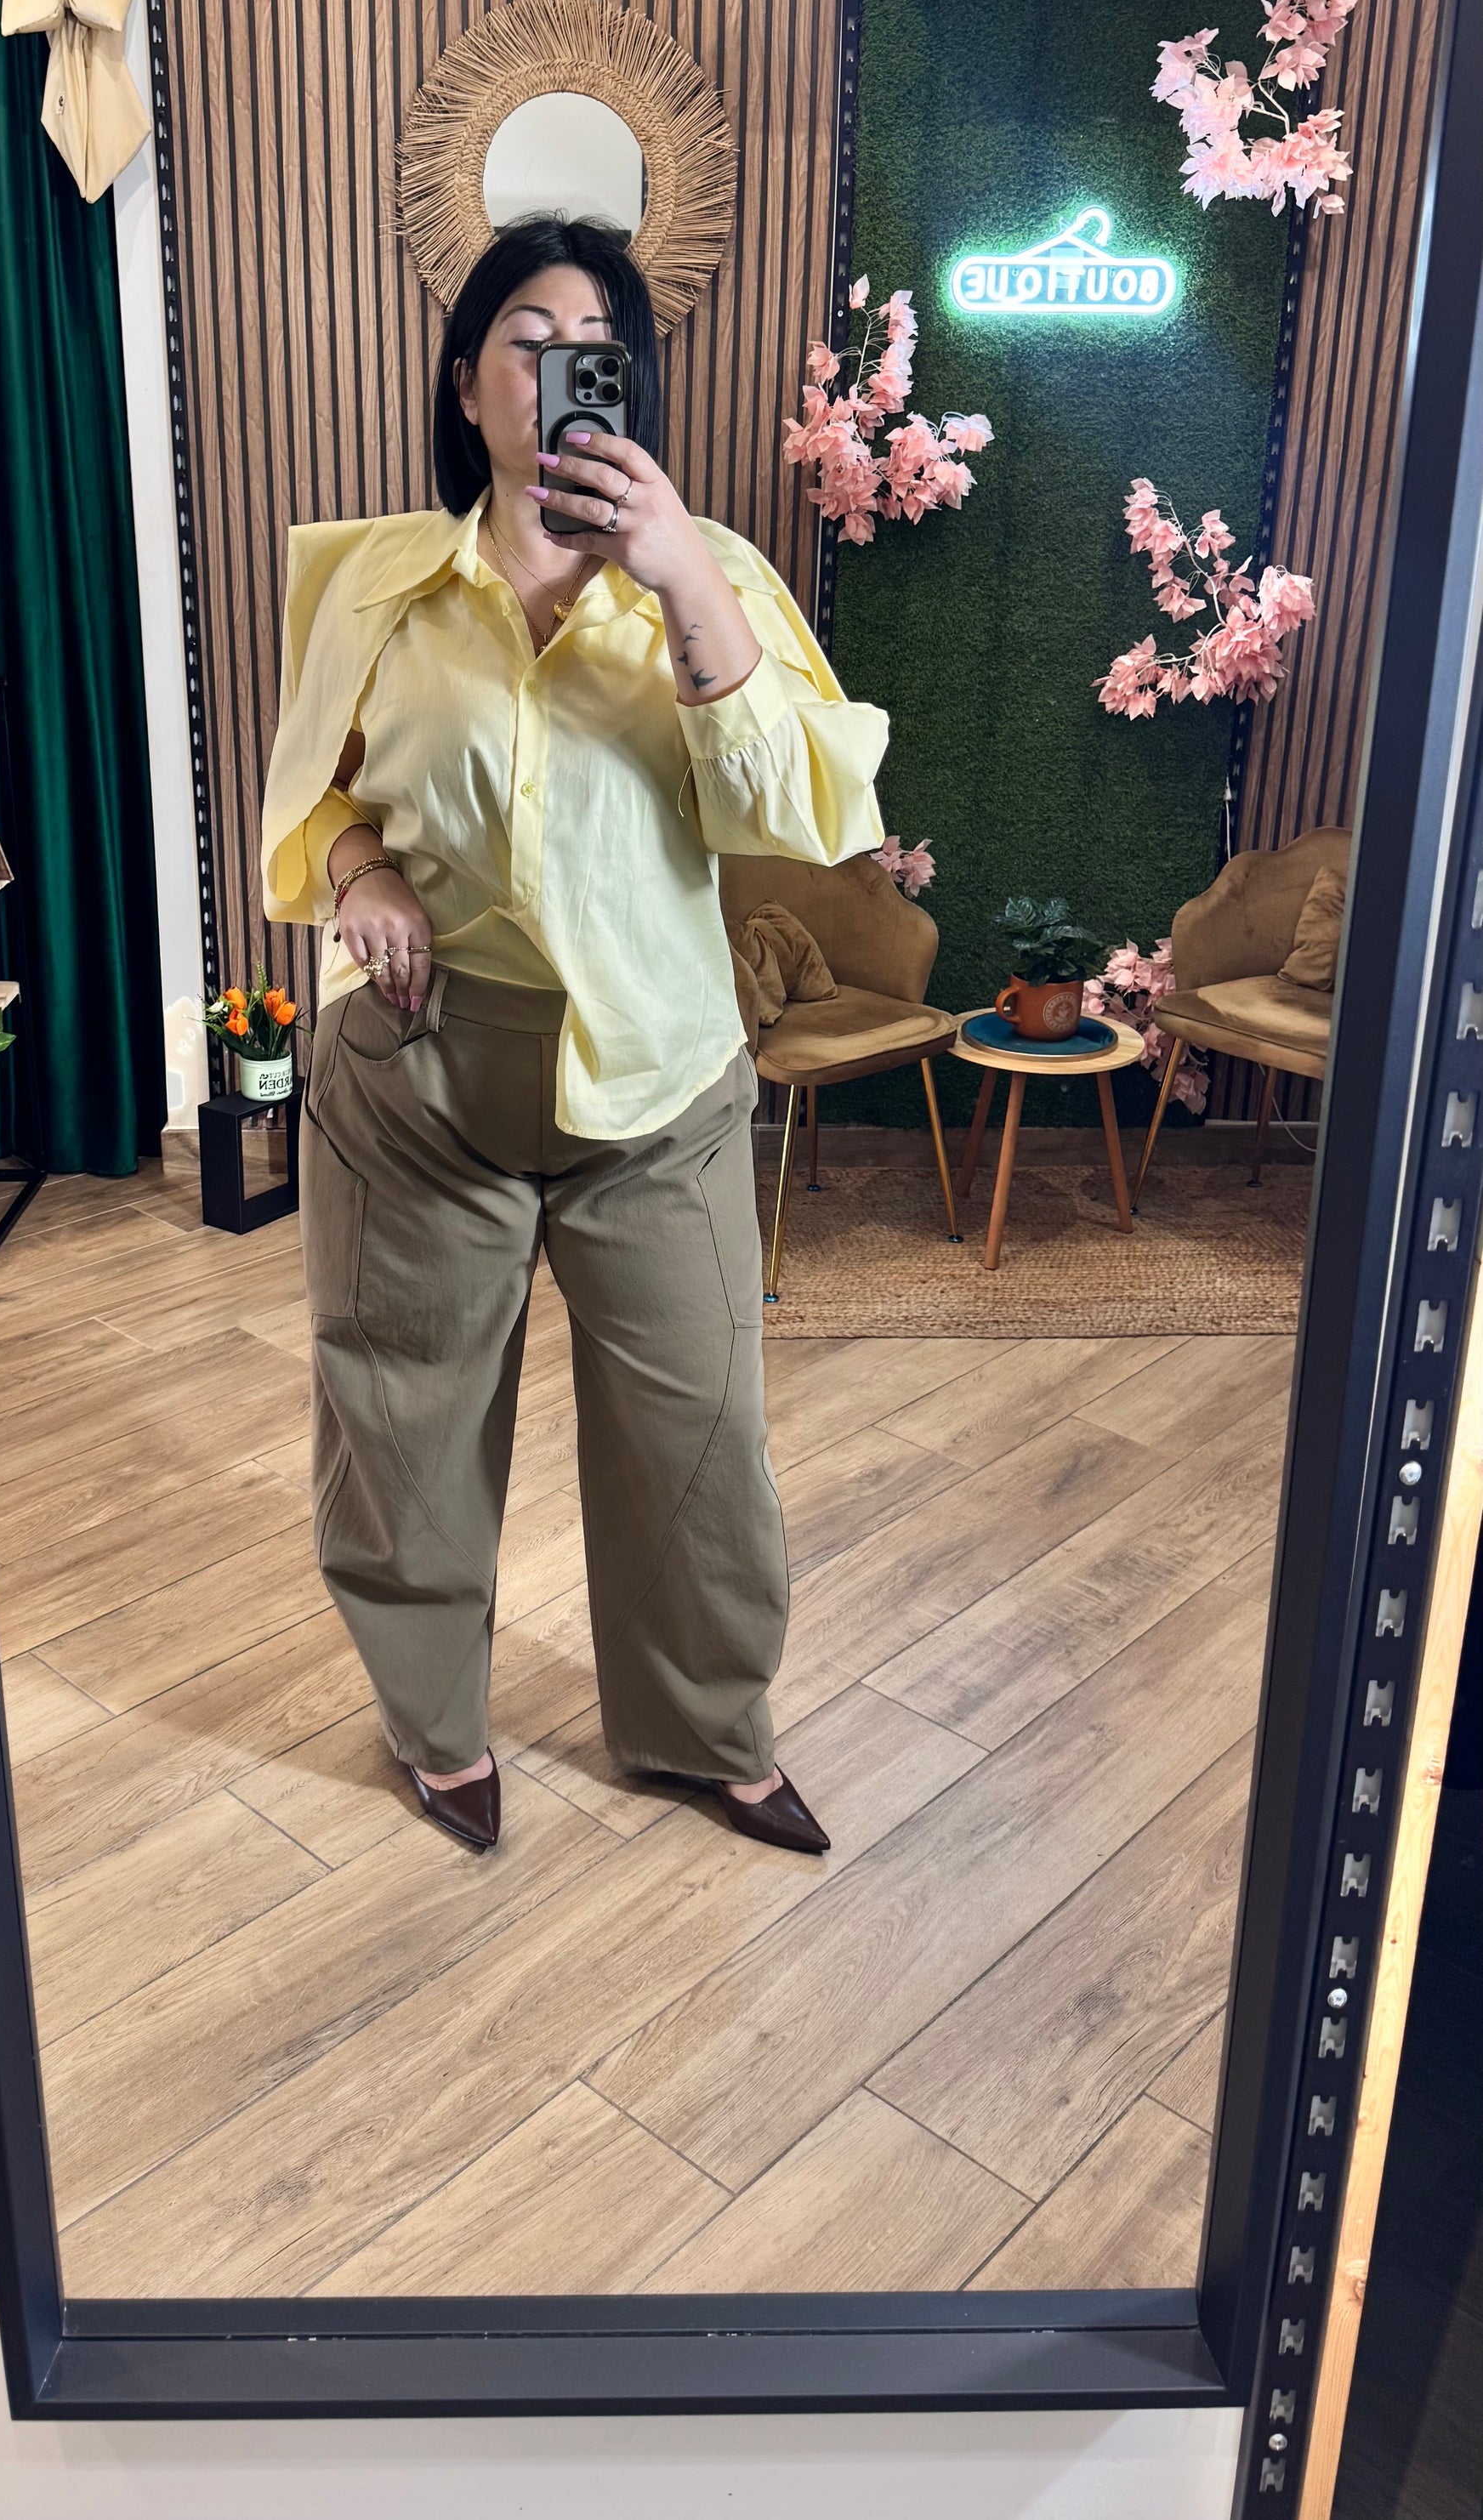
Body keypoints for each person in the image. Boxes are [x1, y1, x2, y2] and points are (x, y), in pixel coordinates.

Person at [260, 216, 888, 1855]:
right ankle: (432, 1723)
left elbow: (797, 813)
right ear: (467, 383)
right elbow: (313, 790)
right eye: (524, 342)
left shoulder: (711, 574)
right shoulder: (369, 583)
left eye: (590, 348)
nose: (555, 373)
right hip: (417, 1074)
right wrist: (359, 872)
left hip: (657, 1084)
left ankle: (705, 1731)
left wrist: (676, 576)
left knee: (698, 1437)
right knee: (399, 1423)